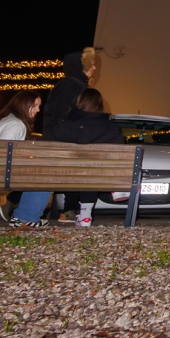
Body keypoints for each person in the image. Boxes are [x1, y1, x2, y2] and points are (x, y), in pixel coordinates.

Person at [42, 48, 99, 223]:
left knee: (72, 173)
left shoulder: (71, 85)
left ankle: (70, 209)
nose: (95, 68)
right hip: (64, 138)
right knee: (82, 171)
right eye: (91, 64)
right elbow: (67, 115)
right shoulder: (71, 86)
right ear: (81, 67)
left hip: (62, 137)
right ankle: (13, 200)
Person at [58, 87, 124, 228]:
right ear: (99, 104)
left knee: (80, 168)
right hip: (96, 173)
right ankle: (86, 214)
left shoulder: (65, 123)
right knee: (90, 169)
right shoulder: (109, 127)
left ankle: (69, 211)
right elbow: (120, 150)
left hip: (66, 173)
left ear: (79, 102)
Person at [0, 91, 43, 226]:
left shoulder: (4, 119)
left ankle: (14, 204)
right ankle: (27, 216)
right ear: (24, 105)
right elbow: (5, 153)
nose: (38, 110)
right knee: (43, 177)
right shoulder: (16, 124)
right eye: (36, 105)